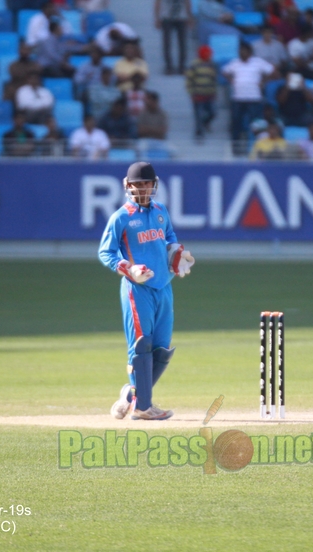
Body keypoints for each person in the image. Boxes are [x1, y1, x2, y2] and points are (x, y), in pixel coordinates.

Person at [99, 161, 195, 421]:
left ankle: (132, 397)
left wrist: (177, 254)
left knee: (161, 351)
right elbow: (105, 252)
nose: (143, 188)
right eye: (137, 184)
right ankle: (143, 407)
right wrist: (128, 269)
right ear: (128, 186)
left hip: (164, 286)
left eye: (147, 183)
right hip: (137, 289)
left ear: (154, 184)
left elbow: (170, 238)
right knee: (142, 346)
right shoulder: (121, 217)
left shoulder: (161, 211)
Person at [222, 41, 277, 154]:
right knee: (236, 124)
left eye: (244, 50)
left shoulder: (257, 62)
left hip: (254, 98)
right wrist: (231, 80)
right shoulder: (235, 62)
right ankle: (236, 150)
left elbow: (272, 70)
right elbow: (224, 71)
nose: (242, 53)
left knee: (257, 125)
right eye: (240, 51)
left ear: (249, 52)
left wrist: (263, 81)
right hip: (238, 98)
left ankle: (258, 149)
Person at [184, 44, 216, 140]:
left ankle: (205, 123)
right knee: (198, 115)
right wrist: (191, 92)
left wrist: (214, 92)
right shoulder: (194, 64)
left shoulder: (211, 64)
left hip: (209, 94)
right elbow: (189, 79)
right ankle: (199, 134)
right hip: (197, 95)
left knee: (213, 113)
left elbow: (213, 79)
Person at [155, 0, 192, 75]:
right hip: (167, 17)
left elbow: (187, 2)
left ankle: (182, 66)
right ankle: (169, 67)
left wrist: (189, 16)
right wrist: (157, 18)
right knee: (167, 43)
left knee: (182, 43)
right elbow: (157, 3)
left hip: (181, 17)